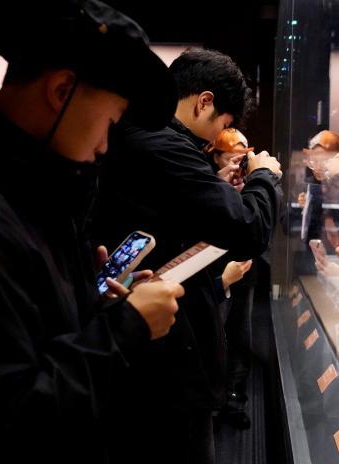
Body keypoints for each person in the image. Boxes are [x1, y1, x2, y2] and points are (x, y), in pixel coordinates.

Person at [0, 1, 184, 463]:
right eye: (109, 122)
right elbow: (8, 417)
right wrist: (125, 329)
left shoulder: (33, 193)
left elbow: (37, 335)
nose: (103, 146)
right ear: (62, 91)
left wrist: (94, 306)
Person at [92, 47, 282, 463]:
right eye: (223, 125)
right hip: (163, 364)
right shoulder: (162, 144)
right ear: (204, 102)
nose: (217, 138)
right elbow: (249, 229)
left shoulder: (149, 139)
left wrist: (214, 187)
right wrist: (264, 178)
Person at [205, 128, 260, 429]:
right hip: (214, 269)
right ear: (216, 156)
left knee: (240, 334)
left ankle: (236, 400)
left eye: (242, 158)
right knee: (214, 333)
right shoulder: (205, 181)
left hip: (245, 266)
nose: (237, 164)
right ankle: (213, 403)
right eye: (231, 158)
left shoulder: (253, 179)